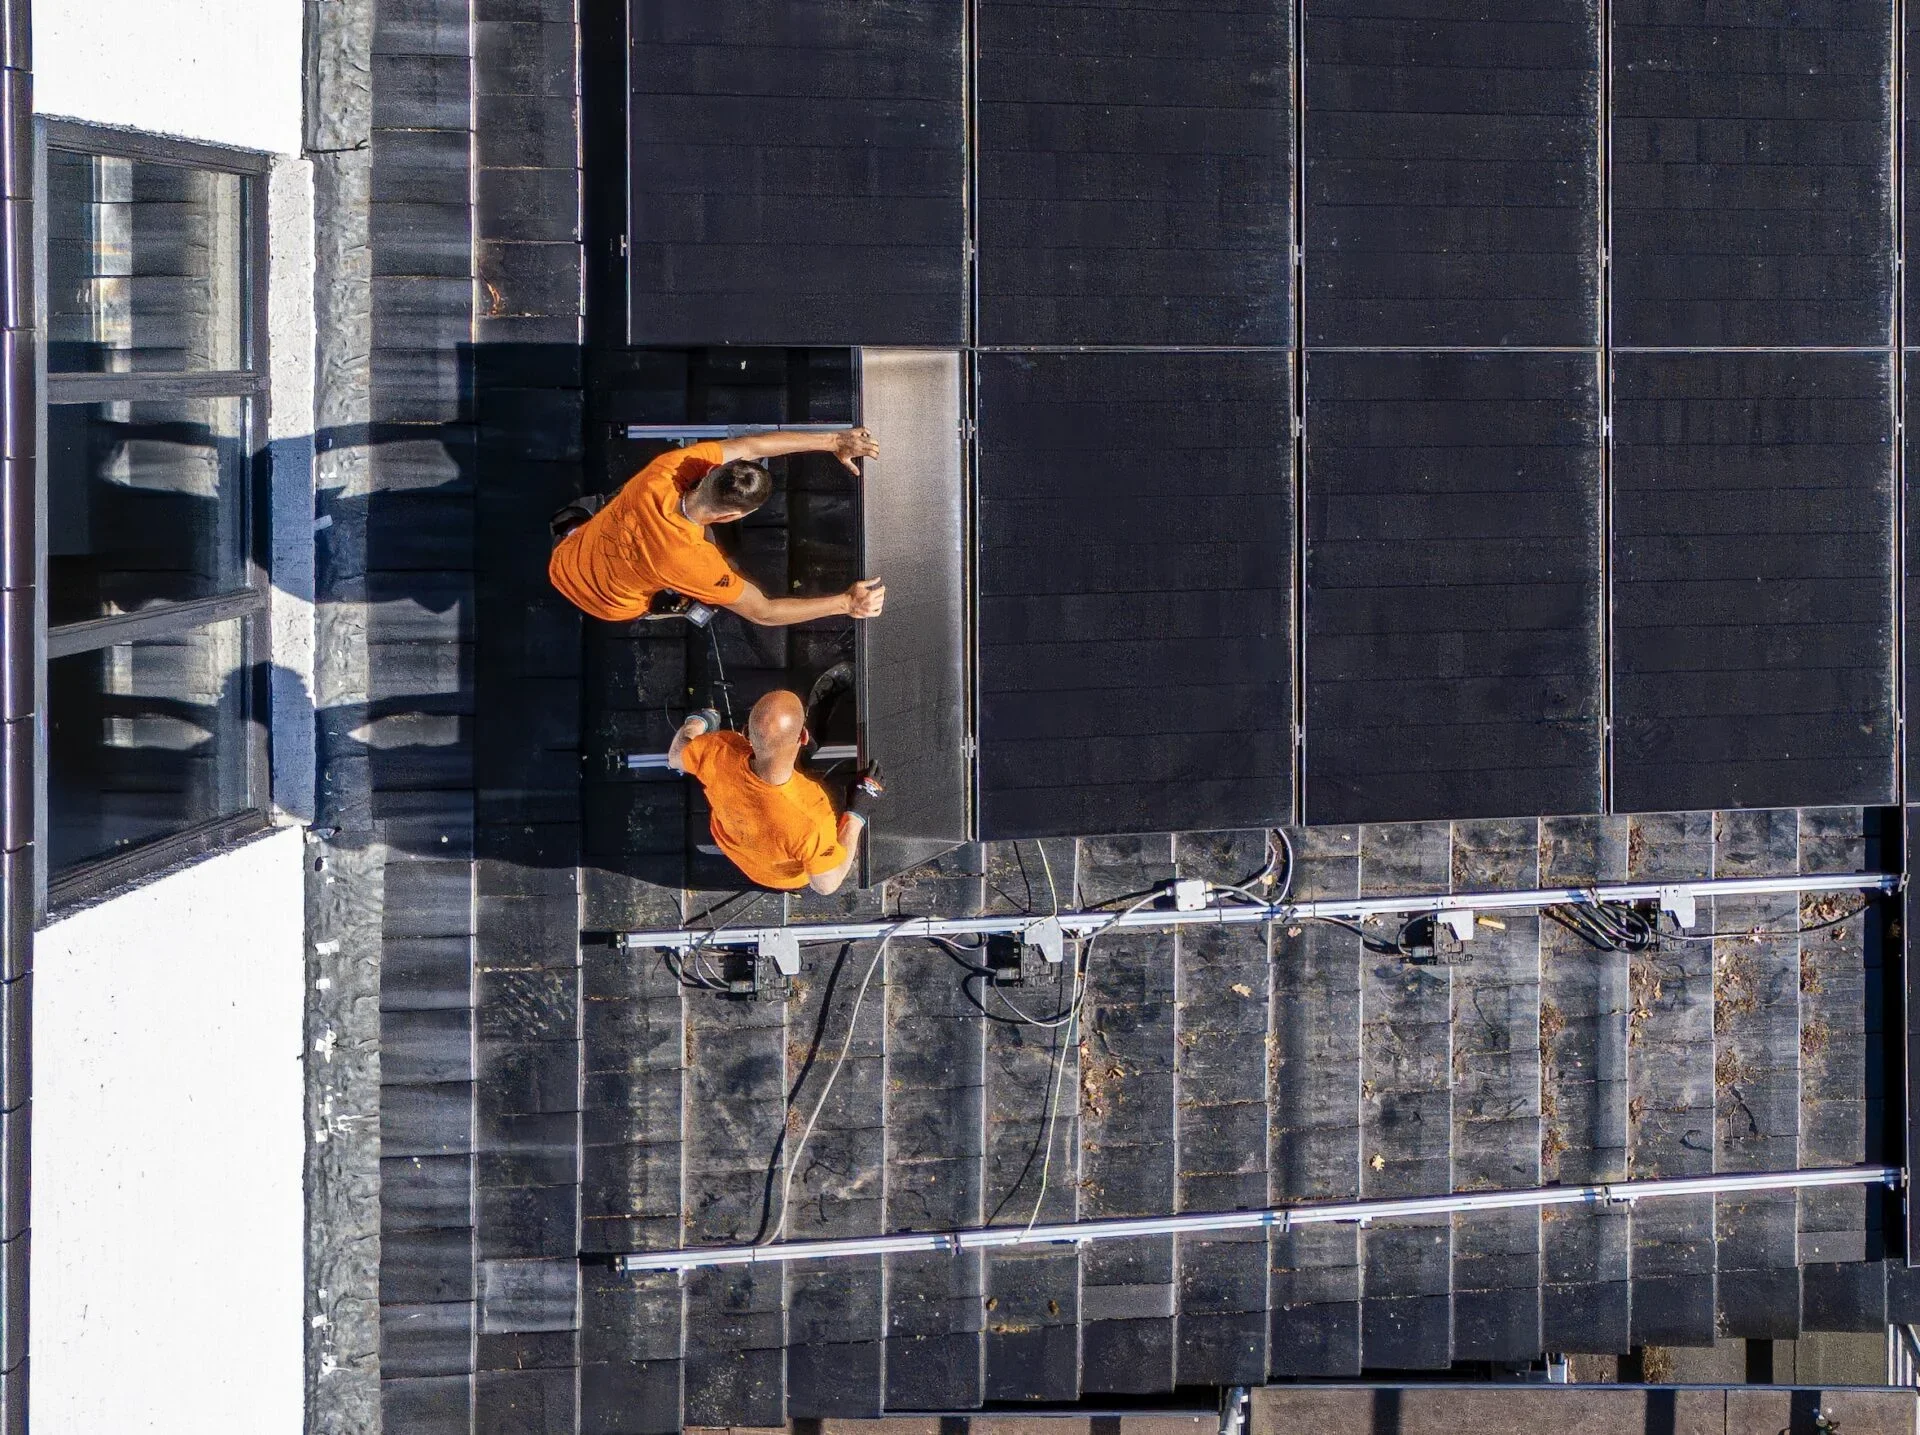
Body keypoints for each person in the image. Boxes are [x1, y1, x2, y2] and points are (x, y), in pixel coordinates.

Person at [548, 427, 887, 626]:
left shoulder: (666, 470)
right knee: (689, 591)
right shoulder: (696, 564)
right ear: (731, 517)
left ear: (709, 471)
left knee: (606, 503)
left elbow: (751, 446)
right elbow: (763, 612)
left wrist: (833, 441)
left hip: (563, 560)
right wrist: (846, 603)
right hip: (610, 606)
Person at [667, 690, 880, 894]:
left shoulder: (719, 751)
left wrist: (698, 721)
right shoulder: (811, 818)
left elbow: (675, 755)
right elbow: (826, 884)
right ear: (804, 737)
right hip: (780, 878)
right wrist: (855, 815)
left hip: (735, 848)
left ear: (746, 732)